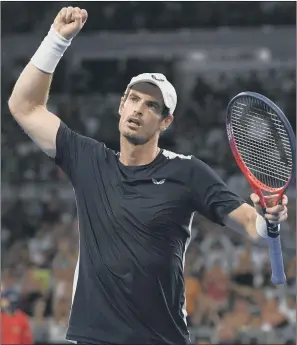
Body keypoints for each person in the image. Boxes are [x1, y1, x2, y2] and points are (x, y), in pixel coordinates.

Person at [8, 6, 289, 345]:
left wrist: (267, 219)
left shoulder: (186, 171)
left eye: (152, 106)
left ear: (165, 122)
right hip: (93, 338)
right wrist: (56, 40)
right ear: (121, 107)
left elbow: (249, 222)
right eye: (134, 99)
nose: (139, 109)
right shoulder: (89, 159)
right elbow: (24, 105)